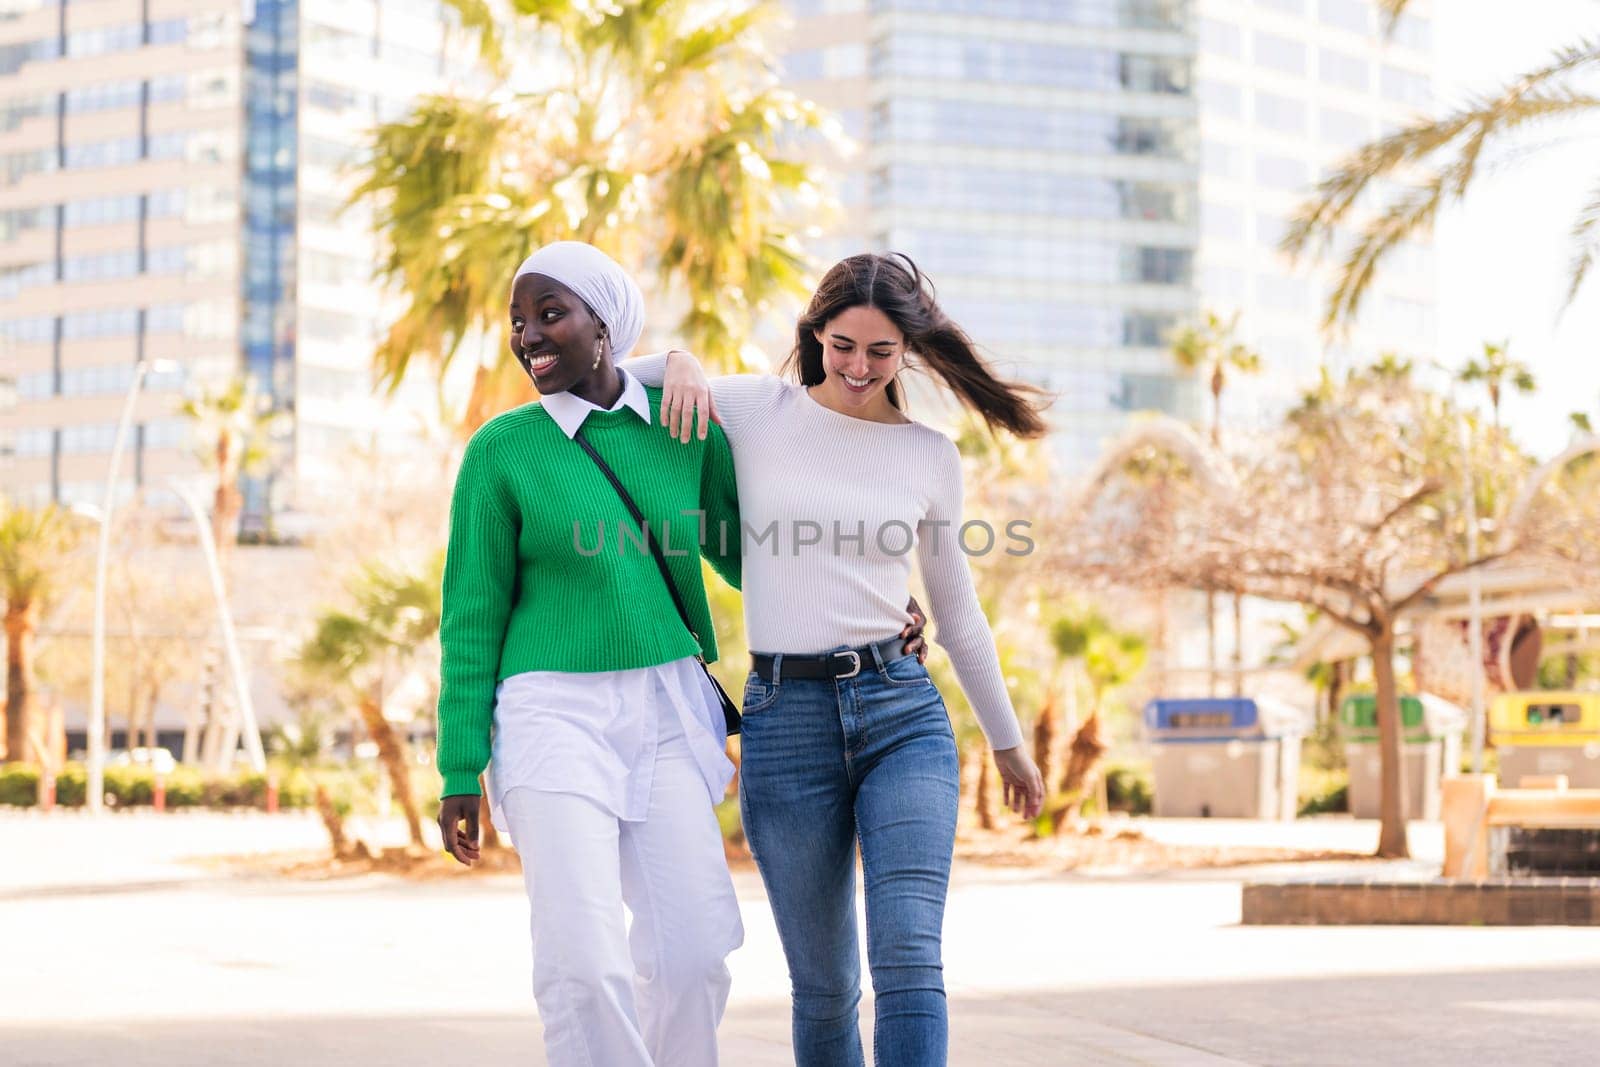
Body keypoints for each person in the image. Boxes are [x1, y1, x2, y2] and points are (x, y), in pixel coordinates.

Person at [622, 252, 1049, 1066]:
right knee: (822, 987)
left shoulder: (930, 456)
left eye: (880, 352)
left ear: (907, 354)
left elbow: (956, 612)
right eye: (842, 344)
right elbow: (615, 379)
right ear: (815, 334)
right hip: (787, 722)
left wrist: (1007, 739)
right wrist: (679, 360)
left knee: (910, 958)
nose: (858, 366)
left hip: (903, 714)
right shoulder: (755, 408)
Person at [433, 241, 750, 1066]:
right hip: (549, 712)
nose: (529, 336)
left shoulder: (687, 426)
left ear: (605, 326)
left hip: (668, 706)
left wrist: (872, 607)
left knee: (694, 952)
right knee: (583, 962)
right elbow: (470, 616)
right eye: (518, 321)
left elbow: (754, 557)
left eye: (550, 313)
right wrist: (458, 766)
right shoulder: (502, 450)